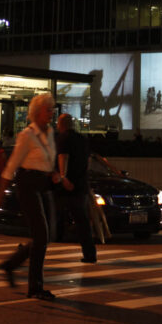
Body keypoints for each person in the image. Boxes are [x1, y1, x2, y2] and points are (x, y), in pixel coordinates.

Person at [0, 93, 58, 300]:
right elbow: (11, 167)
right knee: (41, 236)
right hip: (28, 185)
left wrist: (54, 173)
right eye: (48, 109)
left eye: (52, 109)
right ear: (37, 112)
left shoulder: (50, 133)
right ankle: (35, 287)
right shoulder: (26, 136)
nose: (52, 113)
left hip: (44, 185)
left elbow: (47, 160)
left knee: (47, 236)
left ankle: (10, 264)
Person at [53, 113, 97, 263]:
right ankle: (90, 253)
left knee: (54, 214)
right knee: (82, 221)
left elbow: (63, 157)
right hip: (81, 184)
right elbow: (88, 160)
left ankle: (53, 240)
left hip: (67, 186)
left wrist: (64, 177)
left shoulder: (63, 138)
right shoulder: (82, 139)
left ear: (61, 124)